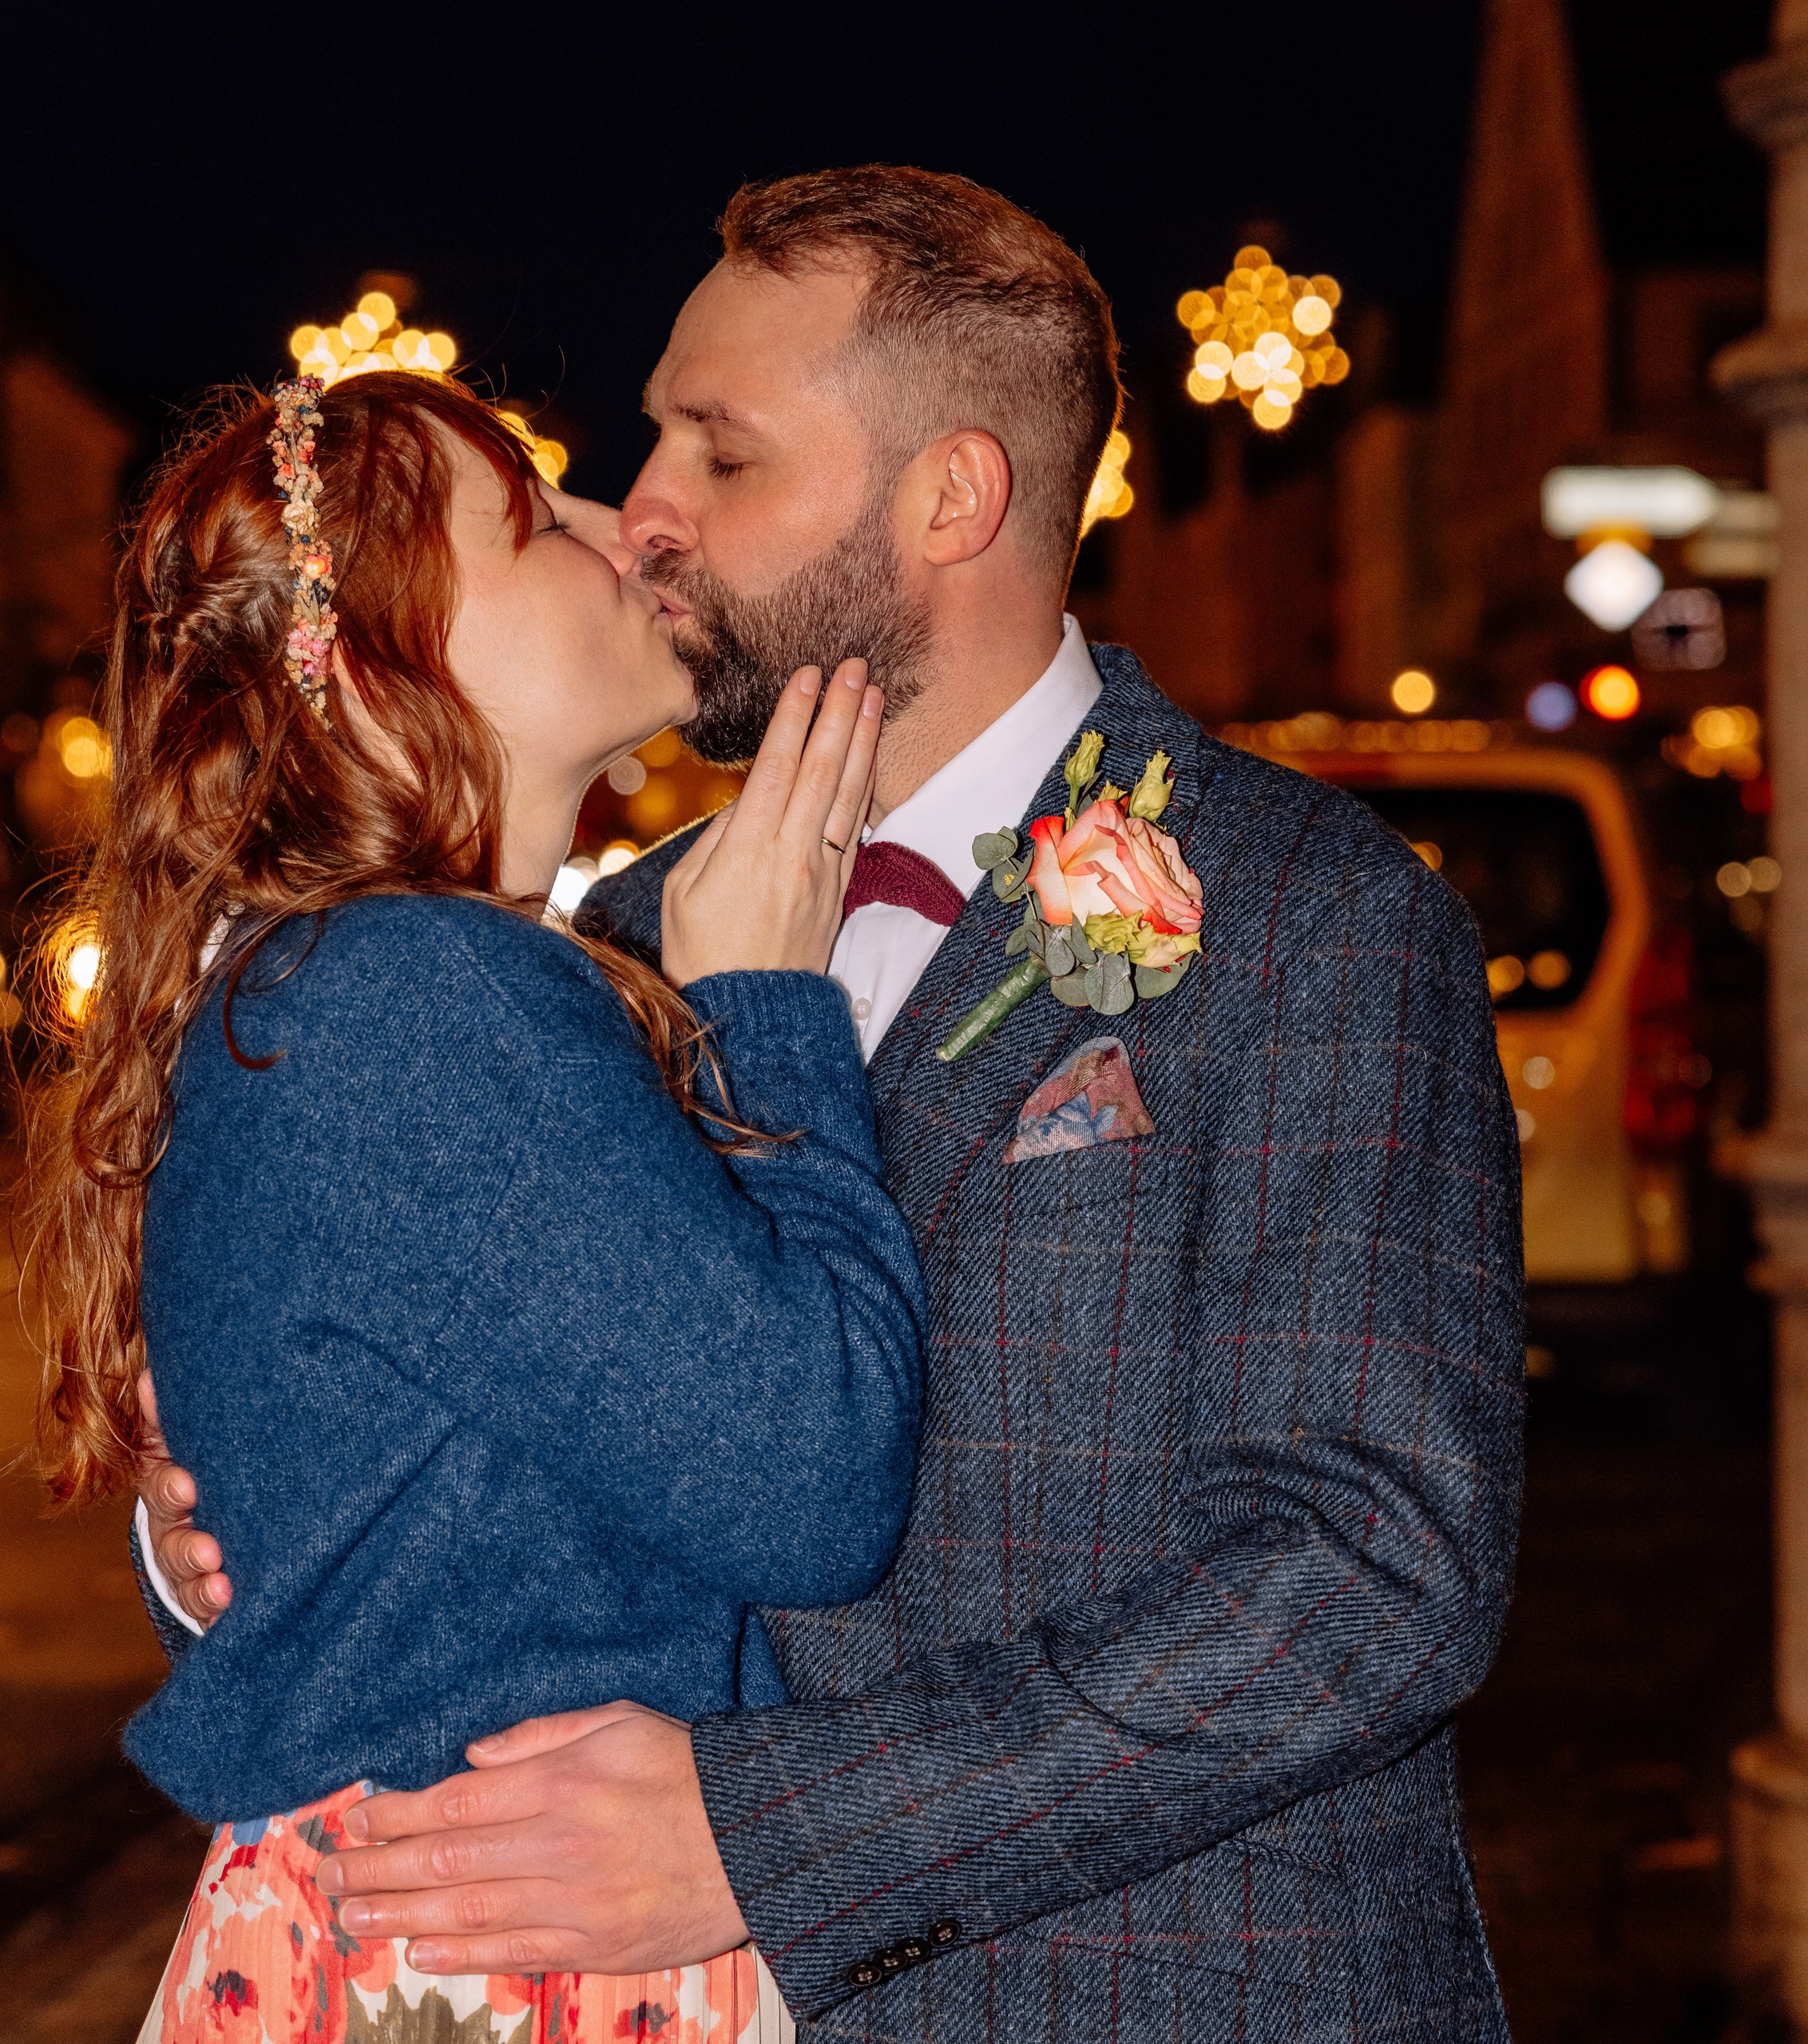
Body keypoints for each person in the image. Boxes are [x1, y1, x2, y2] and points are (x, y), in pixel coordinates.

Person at [142, 166, 1527, 2043]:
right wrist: (220, 1509)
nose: (638, 513)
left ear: (946, 496)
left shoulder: (1312, 917)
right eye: (647, 442)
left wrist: (767, 1833)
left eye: (715, 456)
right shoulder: (594, 947)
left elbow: (1368, 1576)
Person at [22, 370, 930, 2043]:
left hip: (461, 1915)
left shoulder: (348, 978)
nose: (621, 530)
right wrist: (776, 1001)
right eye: (534, 517)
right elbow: (812, 1482)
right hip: (507, 1947)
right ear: (379, 660)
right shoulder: (409, 990)